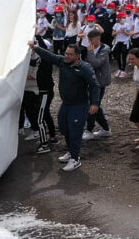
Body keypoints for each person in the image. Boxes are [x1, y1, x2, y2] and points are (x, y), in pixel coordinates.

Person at [29, 41, 101, 172]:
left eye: (69, 54)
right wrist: (35, 47)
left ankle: (75, 158)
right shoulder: (63, 62)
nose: (66, 56)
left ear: (77, 55)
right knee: (64, 128)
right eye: (66, 53)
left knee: (75, 132)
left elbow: (94, 85)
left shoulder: (85, 68)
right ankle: (71, 151)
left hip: (79, 105)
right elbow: (49, 56)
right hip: (66, 104)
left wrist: (95, 103)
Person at [83, 30, 112, 140]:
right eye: (90, 39)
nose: (92, 41)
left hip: (100, 82)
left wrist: (90, 52)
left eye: (94, 39)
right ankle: (105, 128)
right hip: (91, 81)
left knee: (93, 104)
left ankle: (89, 129)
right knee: (95, 105)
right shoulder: (87, 49)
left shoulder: (104, 50)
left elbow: (96, 63)